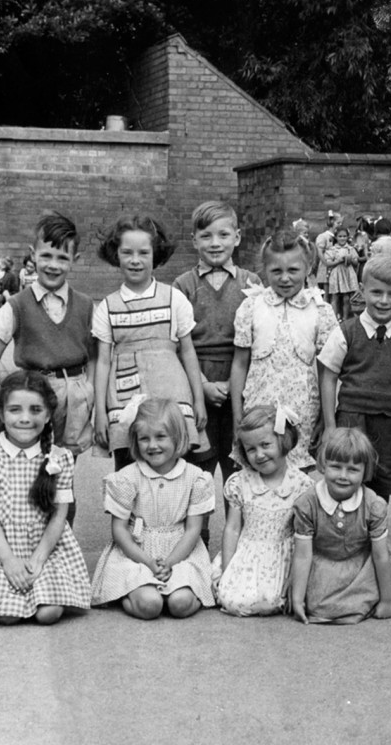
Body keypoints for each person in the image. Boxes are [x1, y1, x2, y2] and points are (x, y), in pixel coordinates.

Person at [0, 371, 91, 625]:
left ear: (48, 415)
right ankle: (8, 588)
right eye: (15, 410)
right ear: (1, 414)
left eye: (36, 410)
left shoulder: (60, 458)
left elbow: (60, 516)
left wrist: (37, 561)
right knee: (6, 616)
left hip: (45, 548)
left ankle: (44, 588)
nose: (25, 418)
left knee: (49, 613)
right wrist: (9, 562)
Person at [172, 201, 259, 544]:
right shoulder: (183, 286)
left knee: (240, 469)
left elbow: (259, 339)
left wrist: (237, 386)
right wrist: (203, 387)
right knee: (199, 471)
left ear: (237, 237)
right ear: (194, 240)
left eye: (224, 234)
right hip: (198, 383)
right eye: (206, 235)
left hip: (243, 383)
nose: (215, 242)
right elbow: (178, 344)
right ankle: (197, 544)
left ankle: (239, 547)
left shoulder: (253, 284)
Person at [0, 211, 96, 478]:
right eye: (46, 256)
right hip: (33, 394)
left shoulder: (85, 304)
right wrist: (13, 388)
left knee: (63, 474)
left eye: (62, 258)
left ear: (75, 260)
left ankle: (64, 520)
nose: (53, 265)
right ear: (33, 254)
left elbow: (93, 356)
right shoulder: (18, 305)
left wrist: (88, 389)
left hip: (73, 396)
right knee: (26, 469)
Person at [319, 255, 391, 510]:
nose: (383, 301)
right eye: (376, 292)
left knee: (381, 490)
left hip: (390, 424)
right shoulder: (346, 332)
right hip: (352, 419)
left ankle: (376, 541)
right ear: (362, 290)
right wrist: (329, 426)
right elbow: (328, 377)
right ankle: (347, 542)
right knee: (346, 481)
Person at [93, 215, 207, 469]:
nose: (135, 260)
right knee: (129, 468)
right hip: (125, 395)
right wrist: (99, 411)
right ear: (116, 255)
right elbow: (102, 361)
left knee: (174, 464)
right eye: (127, 252)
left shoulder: (174, 299)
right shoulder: (107, 307)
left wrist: (199, 400)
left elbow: (188, 352)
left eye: (144, 252)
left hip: (171, 389)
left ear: (156, 254)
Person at [90, 398, 216, 619]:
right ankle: (127, 593)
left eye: (161, 437)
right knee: (150, 605)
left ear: (178, 437)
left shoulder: (196, 478)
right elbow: (119, 530)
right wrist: (148, 562)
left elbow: (193, 530)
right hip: (137, 553)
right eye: (144, 439)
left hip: (180, 552)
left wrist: (170, 562)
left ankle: (185, 590)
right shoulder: (127, 478)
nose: (152, 445)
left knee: (180, 604)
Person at [230, 231, 337, 471]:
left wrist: (326, 418)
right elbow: (239, 364)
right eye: (276, 271)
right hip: (258, 410)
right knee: (259, 475)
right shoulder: (251, 306)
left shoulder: (320, 310)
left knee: (298, 481)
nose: (285, 278)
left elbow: (327, 371)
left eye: (293, 270)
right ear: (265, 270)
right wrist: (238, 413)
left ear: (308, 268)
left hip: (303, 413)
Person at [289, 427, 391, 624]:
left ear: (366, 471)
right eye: (336, 466)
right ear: (323, 465)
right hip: (323, 560)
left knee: (383, 566)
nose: (343, 476)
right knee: (318, 604)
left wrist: (387, 600)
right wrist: (297, 600)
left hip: (361, 562)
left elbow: (381, 555)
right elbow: (303, 555)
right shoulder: (307, 504)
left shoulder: (373, 505)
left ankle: (363, 599)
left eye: (353, 469)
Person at [214, 405, 313, 617]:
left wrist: (294, 578)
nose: (259, 455)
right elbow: (232, 529)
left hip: (284, 555)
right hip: (248, 551)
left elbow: (303, 536)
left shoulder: (301, 485)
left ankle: (279, 598)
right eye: (251, 449)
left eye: (265, 445)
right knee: (232, 598)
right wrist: (227, 570)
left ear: (283, 440)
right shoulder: (240, 482)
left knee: (285, 596)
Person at [324, 225, 359, 321]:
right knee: (335, 297)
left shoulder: (350, 249)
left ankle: (345, 317)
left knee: (346, 298)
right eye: (340, 236)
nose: (342, 238)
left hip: (348, 273)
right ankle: (334, 318)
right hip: (337, 274)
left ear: (348, 237)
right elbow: (328, 263)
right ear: (336, 237)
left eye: (344, 236)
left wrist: (351, 259)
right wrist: (338, 260)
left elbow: (356, 262)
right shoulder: (332, 249)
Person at [314, 211, 343, 299]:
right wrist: (326, 263)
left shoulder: (339, 236)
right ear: (332, 222)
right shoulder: (323, 237)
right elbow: (319, 252)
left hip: (337, 267)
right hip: (327, 267)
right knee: (326, 292)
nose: (340, 225)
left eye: (341, 223)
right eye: (338, 223)